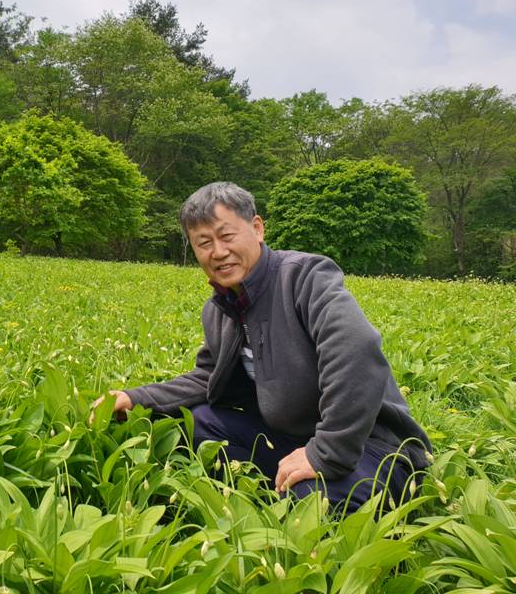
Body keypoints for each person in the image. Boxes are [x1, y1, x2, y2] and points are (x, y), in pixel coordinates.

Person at [93, 182, 431, 512]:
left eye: (226, 236)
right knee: (199, 422)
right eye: (203, 243)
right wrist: (135, 398)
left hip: (369, 446)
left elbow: (356, 350)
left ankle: (315, 498)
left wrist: (323, 453)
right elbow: (207, 377)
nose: (218, 252)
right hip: (292, 437)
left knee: (311, 499)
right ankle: (264, 495)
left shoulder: (305, 276)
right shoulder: (220, 309)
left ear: (257, 228)